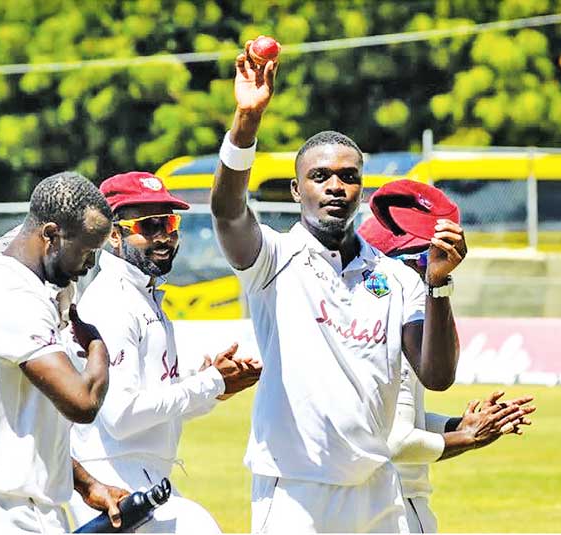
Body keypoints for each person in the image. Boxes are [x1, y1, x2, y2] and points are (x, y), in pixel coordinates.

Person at [211, 41, 511, 533]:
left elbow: (436, 375)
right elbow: (227, 210)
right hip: (294, 489)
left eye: (348, 177)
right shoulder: (272, 260)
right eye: (320, 176)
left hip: (377, 487)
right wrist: (246, 121)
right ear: (296, 190)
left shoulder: (395, 278)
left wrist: (438, 284)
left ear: (361, 190)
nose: (334, 186)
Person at [67, 171, 263, 533]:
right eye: (149, 225)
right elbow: (122, 416)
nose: (163, 237)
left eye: (170, 223)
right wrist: (210, 384)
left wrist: (214, 387)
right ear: (113, 234)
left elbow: (153, 404)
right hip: (114, 482)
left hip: (138, 474)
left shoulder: (142, 296)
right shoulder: (113, 302)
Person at [0, 172, 130, 532]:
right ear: (51, 235)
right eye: (87, 251)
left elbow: (25, 424)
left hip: (22, 505)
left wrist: (88, 485)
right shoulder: (13, 295)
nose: (89, 265)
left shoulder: (23, 288)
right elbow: (82, 402)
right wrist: (96, 343)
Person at [360, 180, 537, 533]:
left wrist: (458, 424)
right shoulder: (392, 326)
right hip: (393, 508)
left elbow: (390, 417)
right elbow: (396, 441)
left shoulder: (361, 318)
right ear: (398, 262)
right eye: (430, 257)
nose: (438, 268)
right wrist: (467, 438)